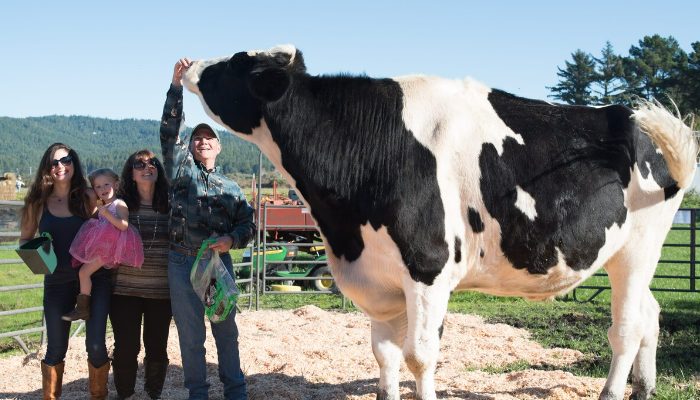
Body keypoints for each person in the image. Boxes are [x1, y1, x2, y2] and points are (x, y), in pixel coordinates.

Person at [161, 58, 255, 400]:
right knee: (190, 337)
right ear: (191, 146)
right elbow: (170, 131)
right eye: (197, 138)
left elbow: (248, 224)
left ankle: (236, 391)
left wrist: (232, 239)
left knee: (225, 332)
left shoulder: (231, 188)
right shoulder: (180, 175)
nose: (202, 141)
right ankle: (197, 393)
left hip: (215, 264)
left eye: (208, 138)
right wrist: (176, 86)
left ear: (218, 146)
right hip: (182, 262)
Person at [19, 143, 110, 399]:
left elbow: (110, 225)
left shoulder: (90, 197)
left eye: (66, 160)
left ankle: (99, 395)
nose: (61, 166)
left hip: (94, 280)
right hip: (56, 283)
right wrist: (37, 257)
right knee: (56, 349)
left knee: (95, 346)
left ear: (74, 162)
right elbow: (25, 240)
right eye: (54, 162)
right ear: (47, 169)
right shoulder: (37, 203)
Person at [110, 150, 172, 399]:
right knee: (126, 347)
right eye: (140, 164)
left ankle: (153, 393)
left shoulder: (171, 205)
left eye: (153, 162)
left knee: (157, 347)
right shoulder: (120, 206)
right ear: (131, 173)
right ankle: (125, 393)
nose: (147, 166)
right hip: (124, 289)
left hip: (161, 290)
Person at [63, 168, 144, 321]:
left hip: (109, 249)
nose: (103, 189)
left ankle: (82, 308)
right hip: (103, 247)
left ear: (116, 185)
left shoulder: (119, 204)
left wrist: (106, 214)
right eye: (98, 187)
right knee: (83, 272)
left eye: (107, 184)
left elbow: (124, 225)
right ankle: (84, 304)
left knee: (84, 273)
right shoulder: (103, 206)